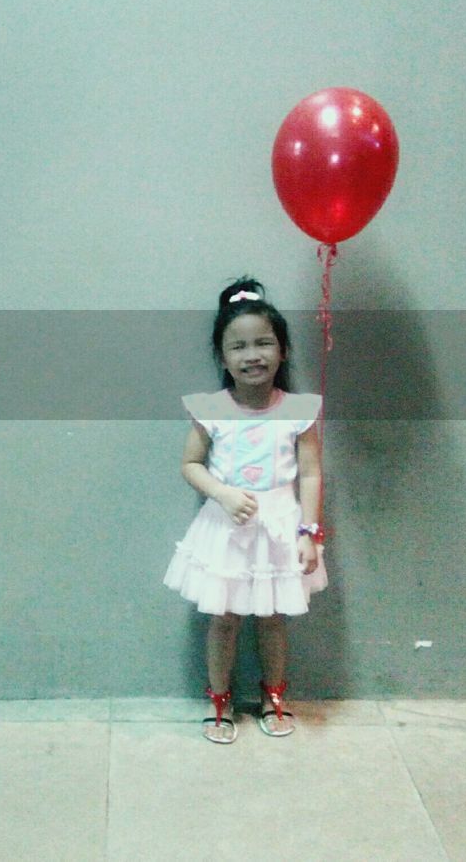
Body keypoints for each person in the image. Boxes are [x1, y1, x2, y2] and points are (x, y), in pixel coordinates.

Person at [163, 276, 328, 742]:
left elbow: (311, 472)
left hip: (280, 527)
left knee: (272, 617)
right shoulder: (212, 409)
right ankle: (220, 699)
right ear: (222, 356)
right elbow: (190, 464)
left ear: (283, 351)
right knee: (224, 617)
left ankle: (274, 694)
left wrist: (308, 532)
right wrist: (222, 492)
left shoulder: (299, 410)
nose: (252, 355)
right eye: (238, 346)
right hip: (226, 529)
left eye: (263, 343)